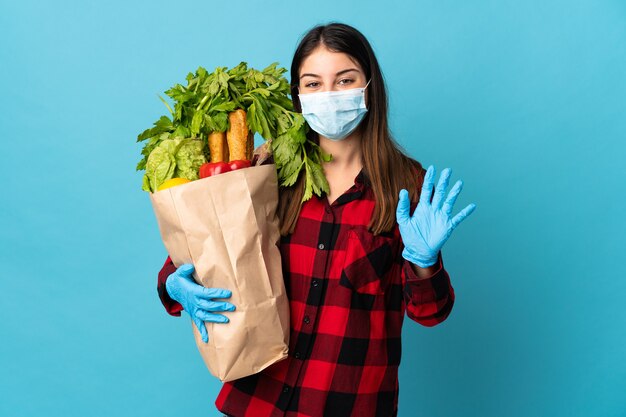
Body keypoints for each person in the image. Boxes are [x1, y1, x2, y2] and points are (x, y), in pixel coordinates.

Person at [156, 22, 476, 417]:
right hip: (257, 402)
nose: (329, 94)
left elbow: (431, 313)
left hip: (350, 404)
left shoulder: (407, 188)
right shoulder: (266, 173)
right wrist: (175, 283)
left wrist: (425, 264)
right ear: (297, 95)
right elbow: (209, 253)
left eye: (345, 80)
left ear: (369, 86)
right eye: (313, 83)